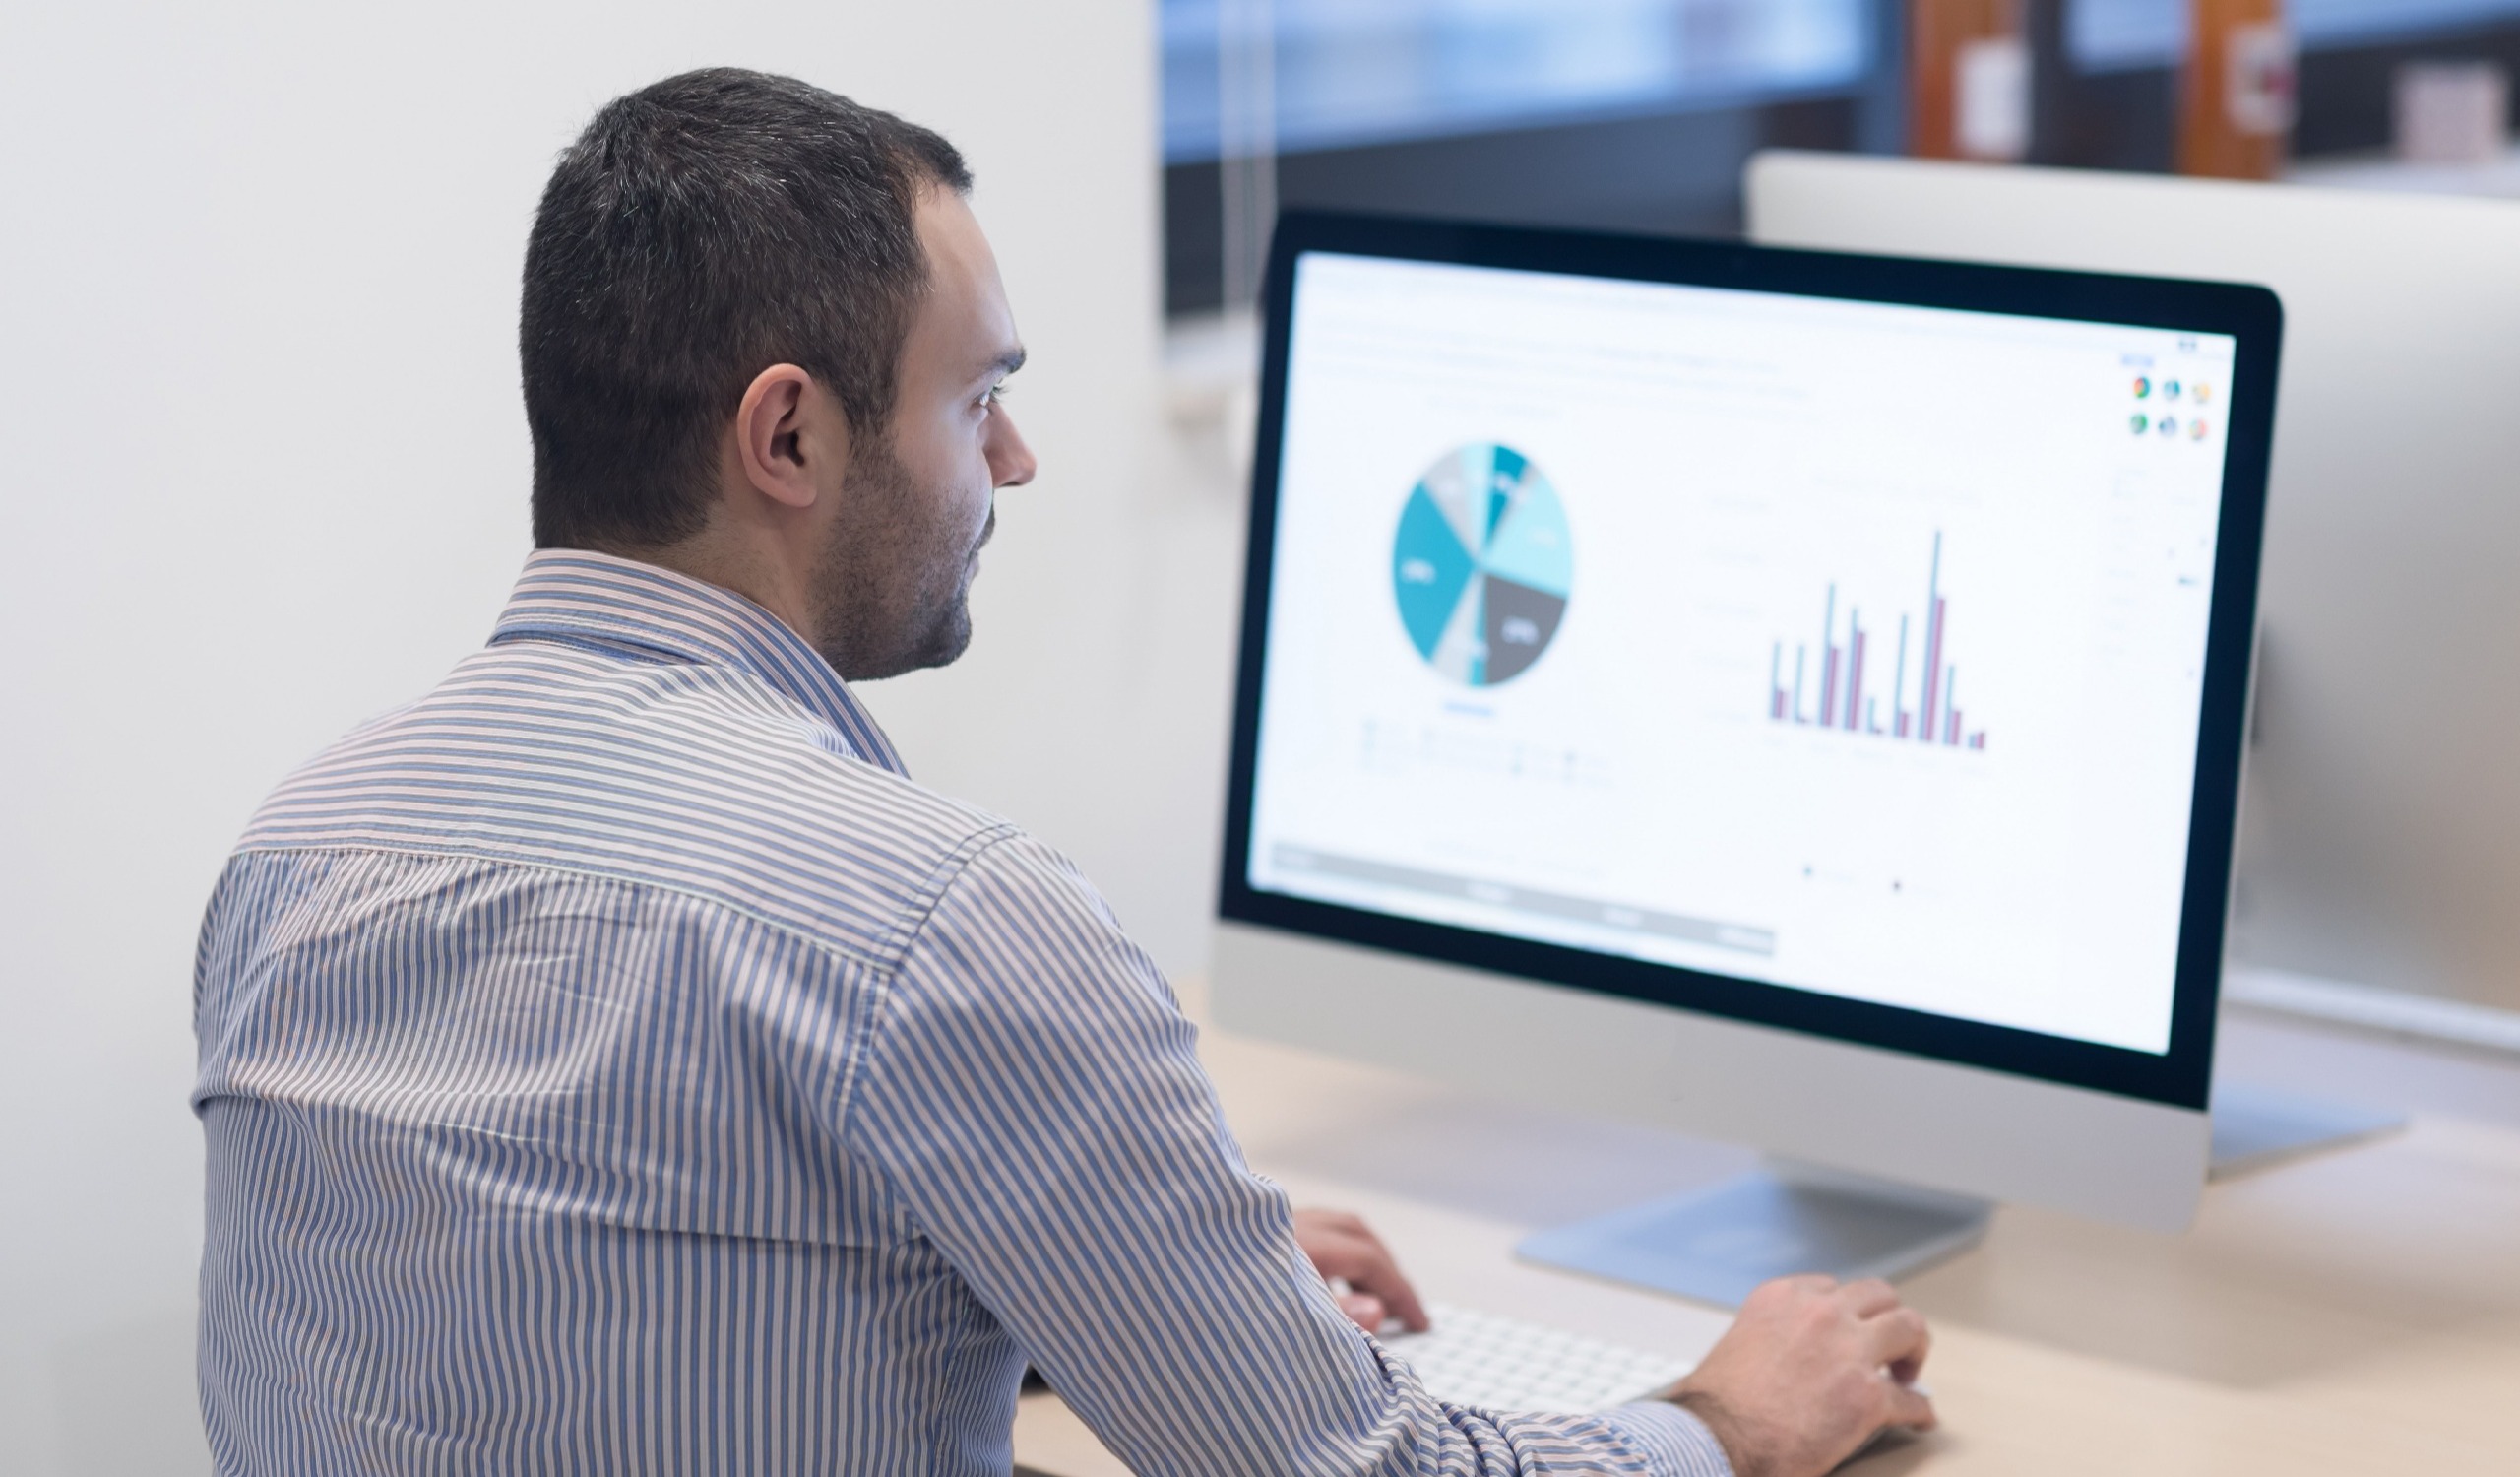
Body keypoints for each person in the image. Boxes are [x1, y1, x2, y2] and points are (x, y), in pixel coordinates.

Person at [191, 67, 1934, 1477]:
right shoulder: (938, 928)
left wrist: (1087, 1280)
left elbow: (566, 1320)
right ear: (787, 435)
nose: (1015, 461)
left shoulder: (294, 855)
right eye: (978, 401)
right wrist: (1724, 1427)